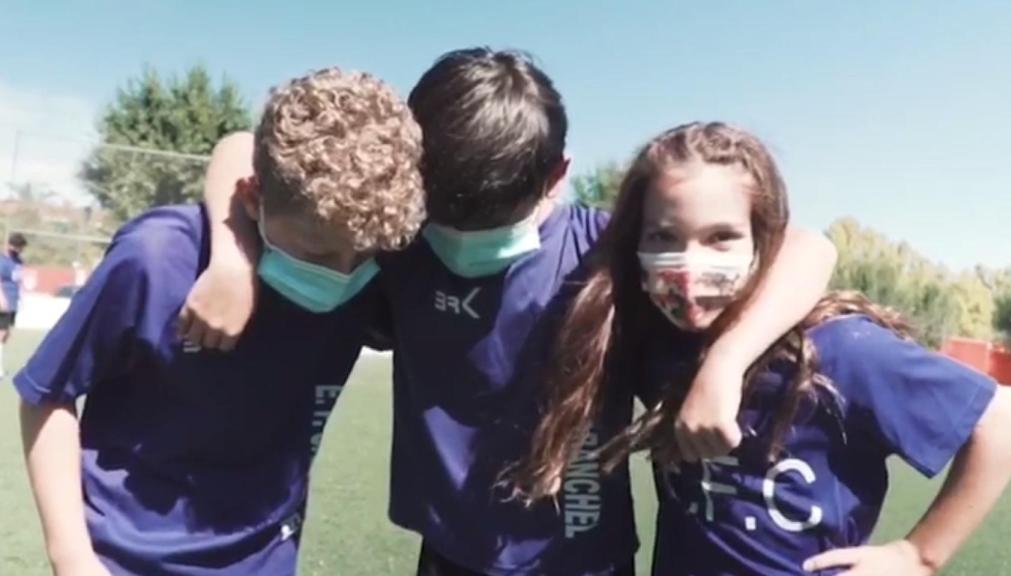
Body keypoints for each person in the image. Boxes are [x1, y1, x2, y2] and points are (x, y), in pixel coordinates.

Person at [187, 49, 837, 575]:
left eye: (492, 223)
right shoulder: (395, 236)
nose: (463, 243)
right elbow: (243, 147)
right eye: (443, 217)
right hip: (450, 553)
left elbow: (810, 247)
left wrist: (723, 364)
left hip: (584, 559)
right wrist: (232, 258)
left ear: (558, 177)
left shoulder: (600, 248)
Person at [512, 122, 1011, 576]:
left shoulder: (841, 351)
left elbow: (1005, 420)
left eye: (721, 238)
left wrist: (919, 555)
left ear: (764, 242)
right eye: (664, 236)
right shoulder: (658, 339)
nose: (689, 267)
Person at [15, 68, 424, 576]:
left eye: (364, 255)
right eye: (317, 253)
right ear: (253, 199)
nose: (341, 276)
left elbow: (238, 145)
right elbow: (47, 395)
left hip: (267, 559)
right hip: (120, 560)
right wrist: (71, 556)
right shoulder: (158, 260)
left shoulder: (369, 258)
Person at [0, 231, 28, 377]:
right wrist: (2, 298)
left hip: (13, 301)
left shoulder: (18, 261)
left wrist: (21, 296)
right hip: (3, 301)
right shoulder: (2, 260)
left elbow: (19, 279)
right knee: (2, 332)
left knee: (6, 333)